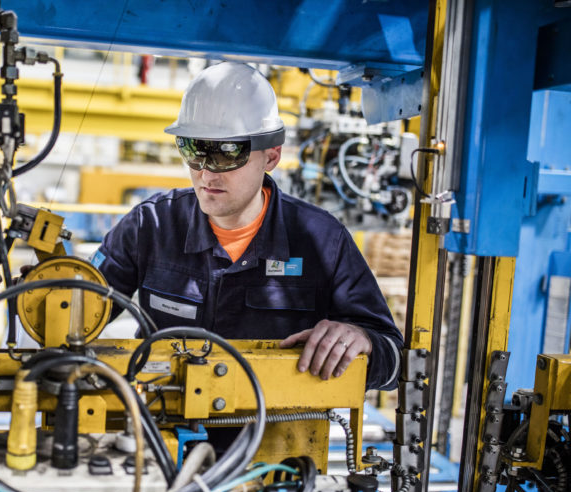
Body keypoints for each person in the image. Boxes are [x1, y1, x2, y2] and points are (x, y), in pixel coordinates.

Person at [92, 62, 402, 390]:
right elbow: (80, 311)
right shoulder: (150, 227)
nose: (207, 173)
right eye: (192, 150)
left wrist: (363, 339)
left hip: (276, 433)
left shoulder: (321, 241)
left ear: (271, 157)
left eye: (228, 154)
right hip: (161, 432)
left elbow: (395, 361)